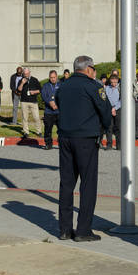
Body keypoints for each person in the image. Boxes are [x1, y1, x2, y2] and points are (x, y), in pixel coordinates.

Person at [55, 55, 112, 242]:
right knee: (87, 184)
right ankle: (83, 230)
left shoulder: (63, 86)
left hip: (65, 138)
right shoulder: (93, 86)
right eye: (93, 69)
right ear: (88, 69)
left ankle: (64, 229)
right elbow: (105, 111)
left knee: (66, 183)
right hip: (86, 139)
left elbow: (59, 107)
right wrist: (103, 128)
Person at [19, 67, 42, 136]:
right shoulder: (21, 80)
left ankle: (39, 131)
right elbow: (19, 90)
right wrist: (22, 83)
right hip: (24, 101)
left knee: (36, 117)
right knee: (25, 118)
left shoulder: (34, 80)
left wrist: (34, 92)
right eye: (24, 74)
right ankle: (26, 132)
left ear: (29, 73)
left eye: (27, 73)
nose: (26, 75)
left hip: (33, 101)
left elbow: (40, 90)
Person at [40, 69, 60, 149]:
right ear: (49, 77)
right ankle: (48, 144)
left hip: (59, 111)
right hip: (49, 112)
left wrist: (58, 104)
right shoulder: (45, 86)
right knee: (48, 129)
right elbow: (44, 96)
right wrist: (50, 102)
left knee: (62, 129)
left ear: (57, 77)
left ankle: (61, 143)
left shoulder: (61, 85)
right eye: (51, 77)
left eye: (54, 77)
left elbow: (64, 96)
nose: (53, 79)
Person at [104, 73, 121, 149]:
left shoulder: (120, 88)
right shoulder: (107, 88)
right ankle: (109, 144)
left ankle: (119, 145)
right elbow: (105, 99)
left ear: (117, 81)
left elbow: (122, 100)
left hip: (118, 109)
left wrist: (115, 108)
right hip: (109, 109)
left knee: (118, 128)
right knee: (109, 127)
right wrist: (110, 108)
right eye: (112, 82)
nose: (114, 84)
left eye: (115, 82)